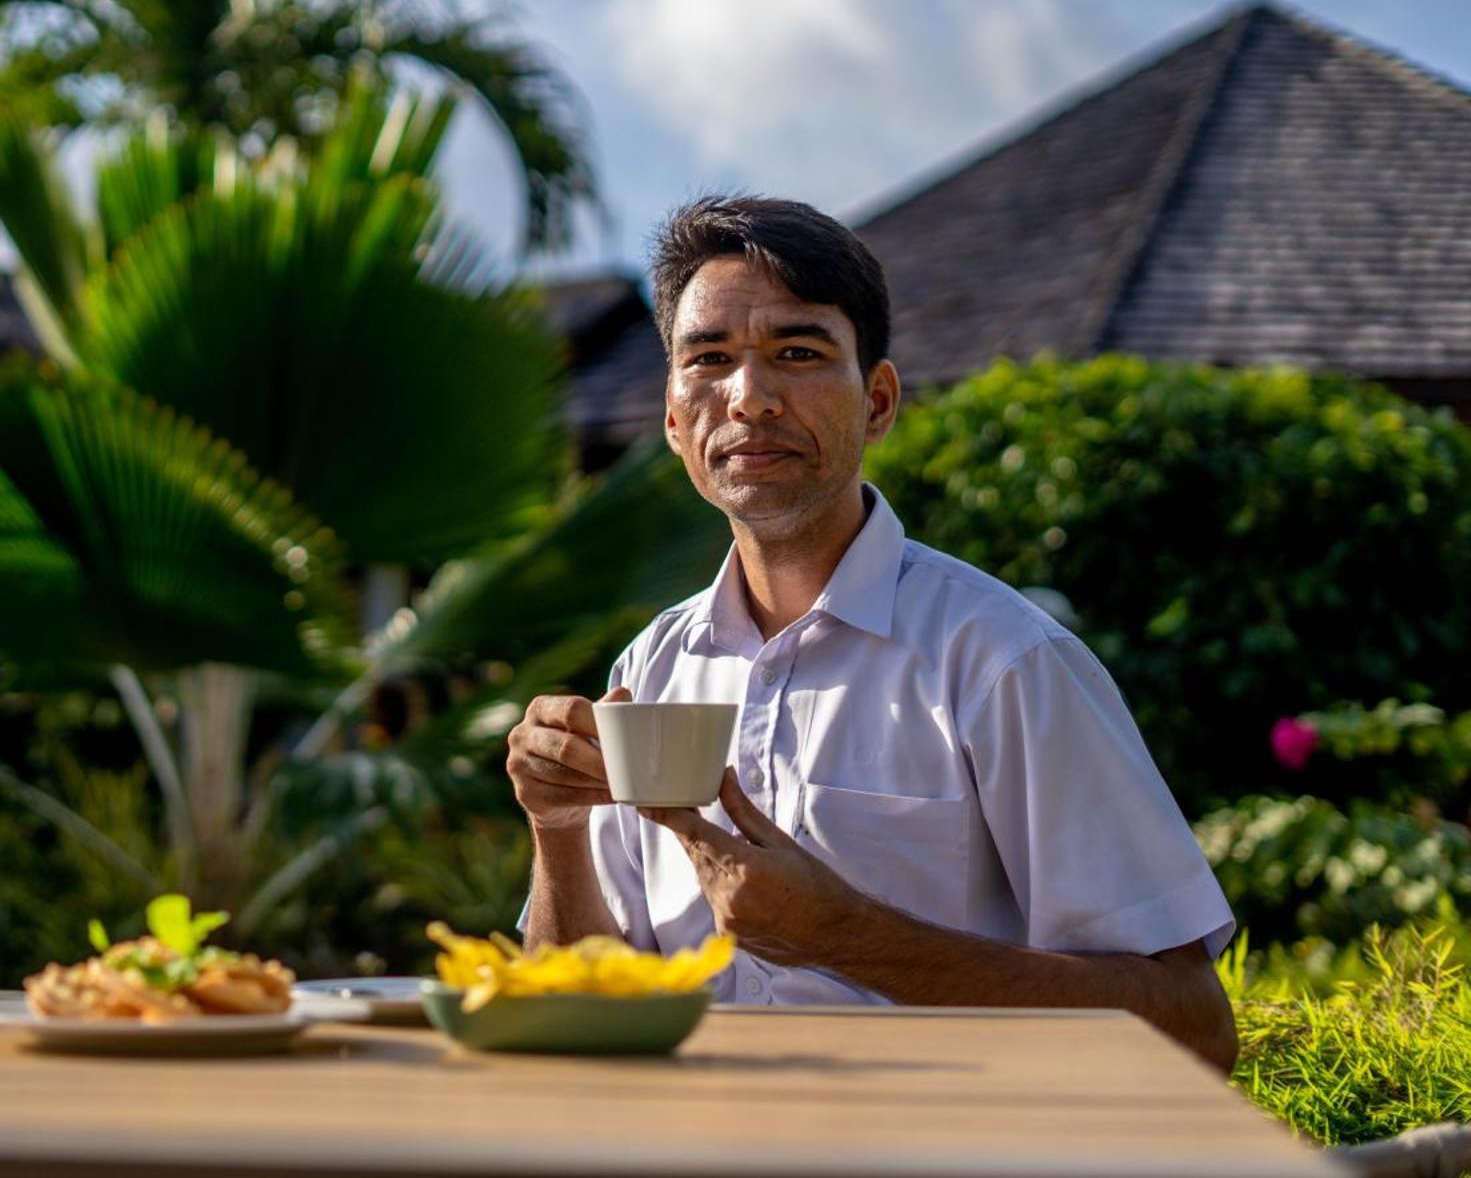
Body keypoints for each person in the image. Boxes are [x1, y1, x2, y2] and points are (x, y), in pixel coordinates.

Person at [508, 195, 1238, 1071]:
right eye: (709, 359)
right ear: (673, 418)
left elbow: (1193, 1030)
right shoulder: (652, 669)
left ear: (879, 401)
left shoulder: (1000, 660)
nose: (750, 398)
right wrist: (555, 829)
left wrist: (848, 936)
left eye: (798, 352)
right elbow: (575, 1018)